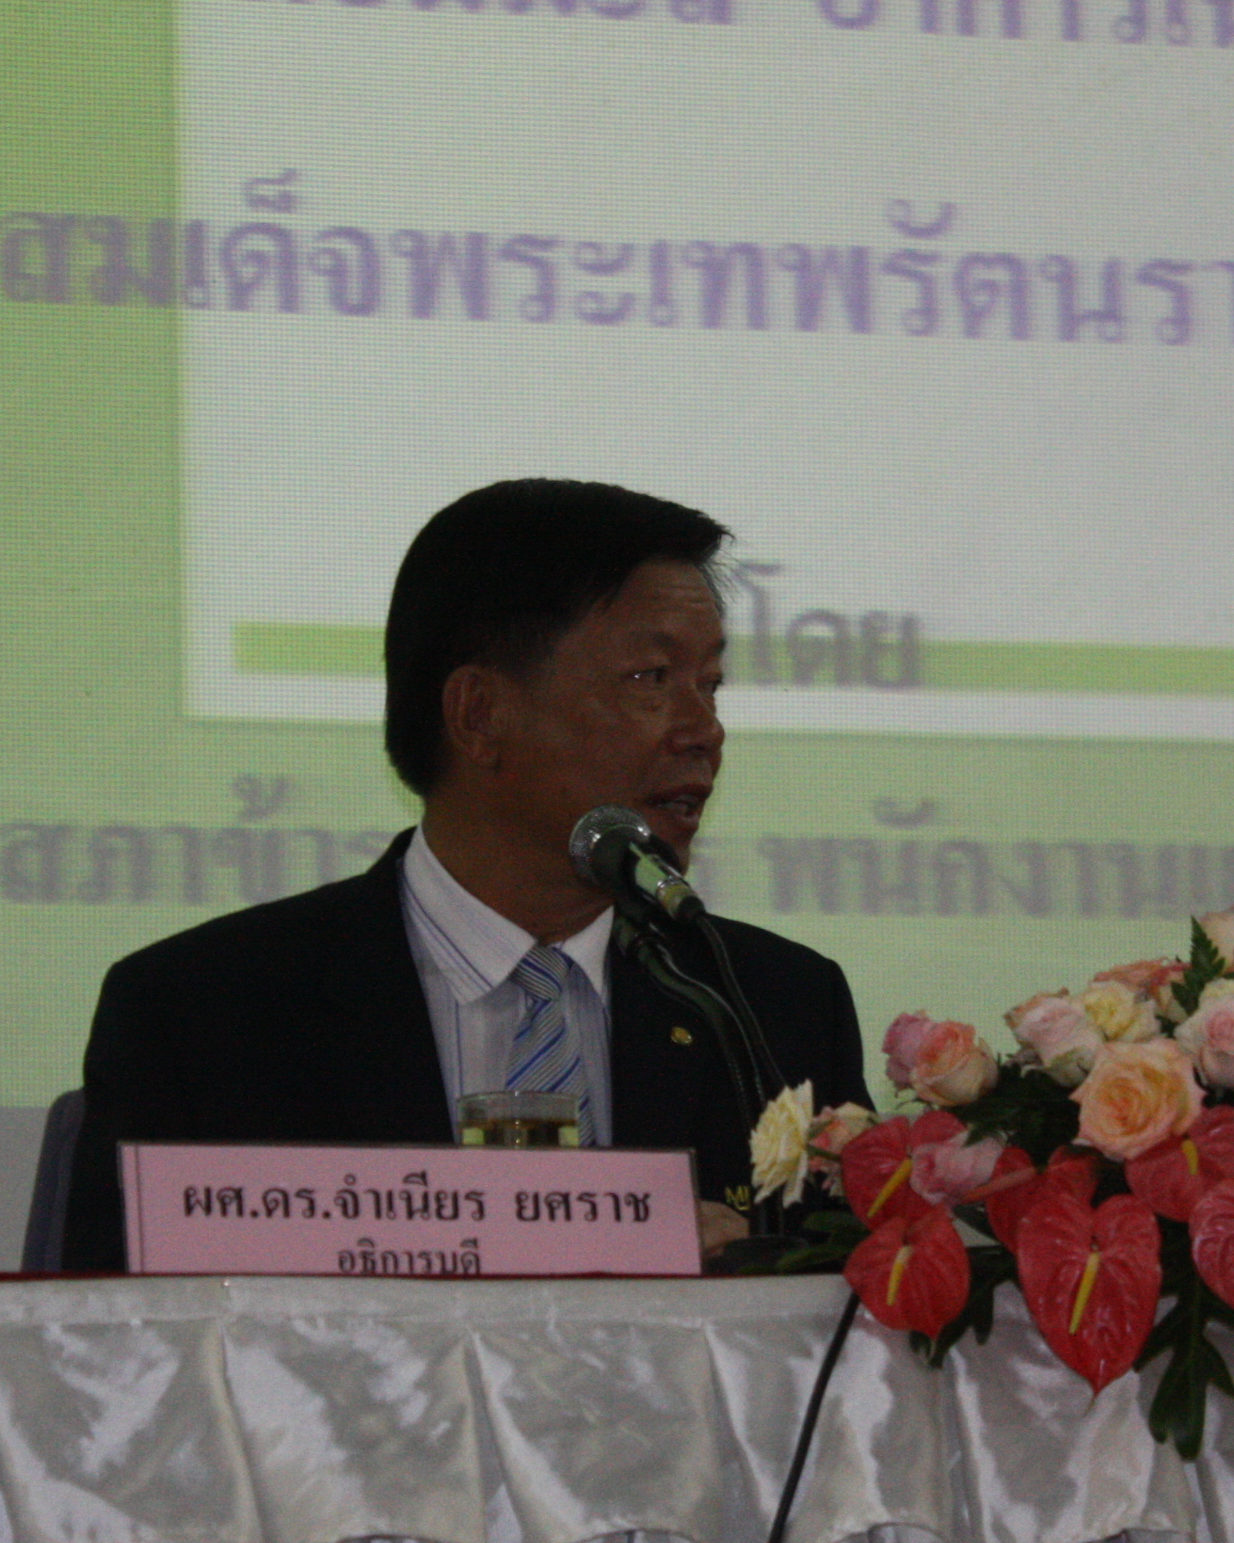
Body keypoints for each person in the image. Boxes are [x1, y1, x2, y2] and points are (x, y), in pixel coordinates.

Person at [57, 478, 870, 1271]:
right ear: (479, 715)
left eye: (710, 686)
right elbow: (123, 1343)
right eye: (650, 680)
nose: (704, 730)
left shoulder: (775, 1008)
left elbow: (855, 1328)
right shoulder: (200, 1016)